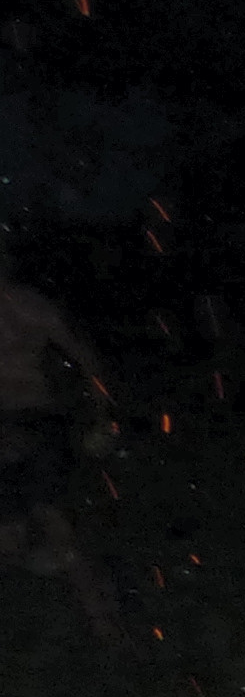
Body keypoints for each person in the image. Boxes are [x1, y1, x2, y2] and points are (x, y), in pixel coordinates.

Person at [0, 252, 118, 635]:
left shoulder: (29, 305)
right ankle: (45, 623)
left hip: (35, 419)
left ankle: (104, 624)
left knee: (54, 520)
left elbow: (83, 355)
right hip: (19, 422)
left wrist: (103, 413)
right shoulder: (30, 305)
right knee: (13, 532)